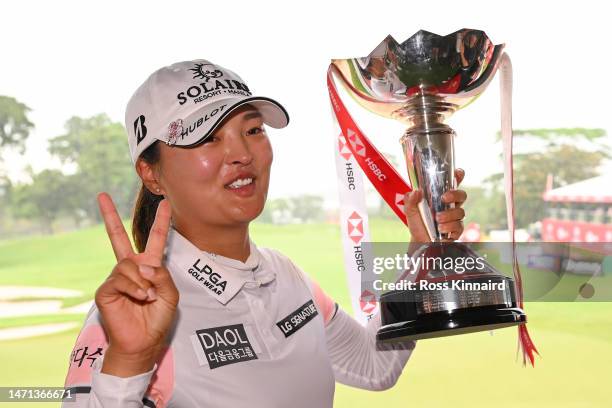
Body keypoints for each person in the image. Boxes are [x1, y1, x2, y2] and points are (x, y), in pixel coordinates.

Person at [62, 59, 467, 407]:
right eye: (207, 138)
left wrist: (419, 262)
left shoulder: (284, 274)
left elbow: (372, 364)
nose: (241, 154)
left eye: (252, 130)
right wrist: (128, 363)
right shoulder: (131, 311)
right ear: (152, 174)